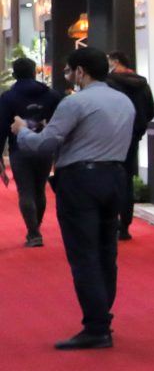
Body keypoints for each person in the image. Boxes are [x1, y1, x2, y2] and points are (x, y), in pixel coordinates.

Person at [12, 47, 136, 348]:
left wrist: (21, 131)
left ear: (81, 71)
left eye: (71, 70)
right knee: (106, 252)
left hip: (81, 181)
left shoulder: (75, 102)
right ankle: (102, 316)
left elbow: (43, 145)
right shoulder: (124, 101)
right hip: (115, 177)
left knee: (84, 253)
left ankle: (96, 326)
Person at [0, 56, 58, 247]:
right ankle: (36, 226)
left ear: (14, 74)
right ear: (34, 72)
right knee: (39, 189)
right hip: (44, 147)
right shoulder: (51, 95)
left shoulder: (8, 97)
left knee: (25, 190)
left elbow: (2, 127)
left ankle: (33, 233)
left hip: (20, 149)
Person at [106, 50, 154, 241]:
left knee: (110, 177)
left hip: (111, 136)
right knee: (127, 179)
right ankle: (125, 225)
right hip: (133, 136)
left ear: (116, 62)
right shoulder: (141, 83)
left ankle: (111, 222)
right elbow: (150, 110)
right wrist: (138, 127)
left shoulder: (110, 83)